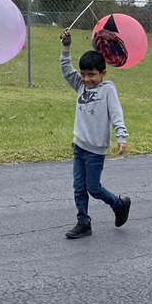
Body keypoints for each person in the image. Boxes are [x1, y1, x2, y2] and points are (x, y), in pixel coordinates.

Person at [60, 30, 131, 239]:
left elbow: (116, 114)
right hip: (79, 146)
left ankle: (119, 204)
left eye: (91, 75)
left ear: (103, 73)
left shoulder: (108, 90)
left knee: (94, 188)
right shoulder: (80, 85)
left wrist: (121, 137)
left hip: (96, 150)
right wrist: (66, 47)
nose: (86, 79)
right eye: (83, 74)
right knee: (79, 187)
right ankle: (83, 222)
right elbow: (66, 70)